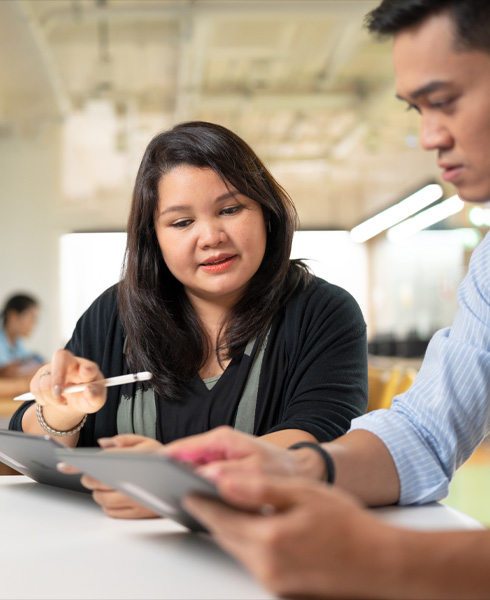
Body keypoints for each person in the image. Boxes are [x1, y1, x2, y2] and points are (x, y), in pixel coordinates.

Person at [114, 1, 490, 598]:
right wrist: (292, 467)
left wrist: (383, 557)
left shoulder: (320, 311)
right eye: (416, 109)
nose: (428, 136)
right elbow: (425, 433)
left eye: (443, 100)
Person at [10, 121, 368, 518]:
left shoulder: (323, 312)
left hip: (258, 548)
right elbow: (33, 442)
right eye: (181, 222)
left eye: (230, 209)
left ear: (266, 213)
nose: (211, 236)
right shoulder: (114, 313)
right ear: (154, 237)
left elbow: (319, 442)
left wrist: (173, 478)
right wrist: (62, 410)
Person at [0, 293, 43, 388]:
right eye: (31, 319)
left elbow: (25, 362)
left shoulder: (17, 342)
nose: (33, 325)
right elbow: (7, 372)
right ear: (13, 316)